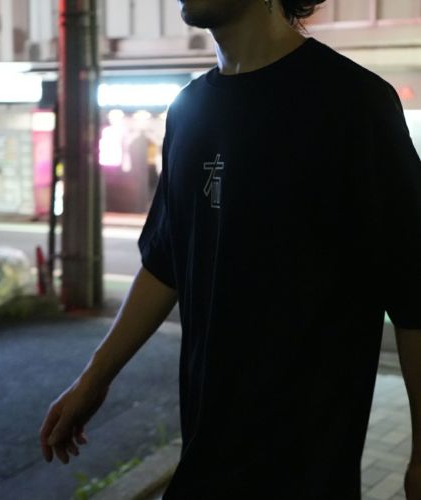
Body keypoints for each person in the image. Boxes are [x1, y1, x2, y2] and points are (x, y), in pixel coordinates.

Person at [40, 1, 421, 498]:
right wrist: (94, 378)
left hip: (306, 470)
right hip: (203, 458)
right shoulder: (188, 110)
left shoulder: (354, 104)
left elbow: (413, 291)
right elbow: (165, 263)